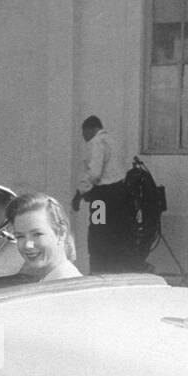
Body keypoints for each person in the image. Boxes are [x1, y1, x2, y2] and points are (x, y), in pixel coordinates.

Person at [71, 115, 132, 273]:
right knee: (115, 233)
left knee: (97, 233)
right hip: (120, 195)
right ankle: (114, 271)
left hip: (102, 197)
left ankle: (98, 271)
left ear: (91, 129)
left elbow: (95, 173)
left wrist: (79, 193)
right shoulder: (113, 140)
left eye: (84, 133)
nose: (84, 138)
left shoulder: (96, 142)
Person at [0, 193, 82, 286]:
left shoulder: (64, 287)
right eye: (20, 236)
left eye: (37, 234)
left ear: (61, 234)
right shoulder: (50, 281)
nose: (27, 245)